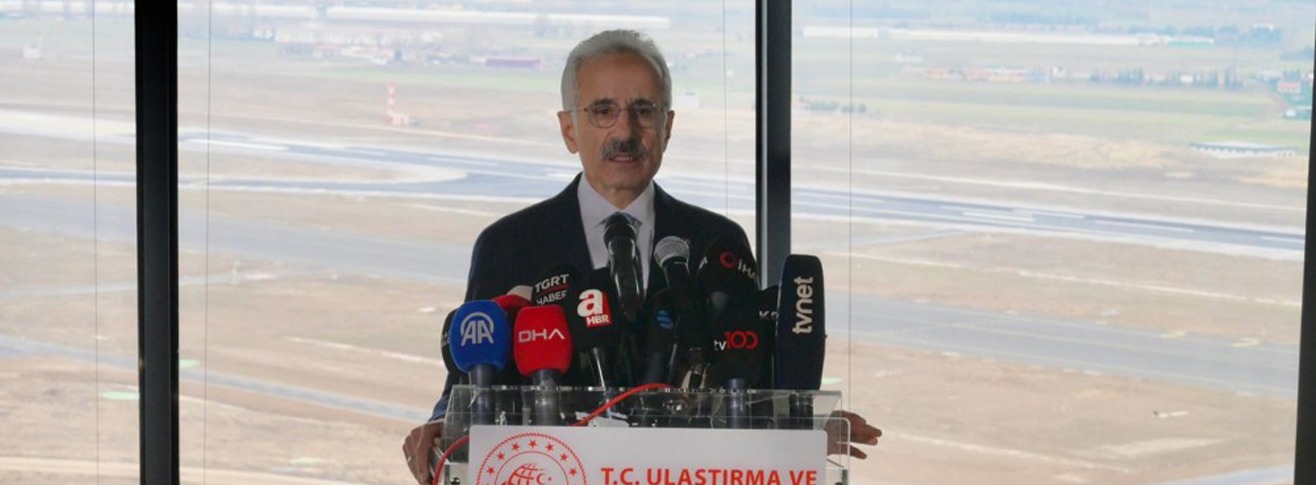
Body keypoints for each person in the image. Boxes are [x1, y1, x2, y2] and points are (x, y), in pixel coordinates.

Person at [403, 29, 879, 485]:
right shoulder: (509, 243)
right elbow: (468, 385)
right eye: (603, 111)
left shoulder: (718, 241)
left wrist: (802, 424)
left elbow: (749, 378)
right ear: (569, 130)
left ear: (667, 127)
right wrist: (440, 426)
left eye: (643, 111)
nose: (625, 131)